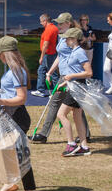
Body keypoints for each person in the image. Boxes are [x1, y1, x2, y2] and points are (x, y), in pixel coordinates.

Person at [0, 36, 36, 191]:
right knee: (8, 150)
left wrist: (2, 101)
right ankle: (9, 183)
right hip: (9, 115)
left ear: (5, 54)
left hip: (17, 115)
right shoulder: (12, 70)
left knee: (18, 153)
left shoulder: (16, 71)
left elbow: (21, 98)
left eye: (0, 54)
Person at [30, 12, 90, 144]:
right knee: (74, 105)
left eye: (61, 23)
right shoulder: (62, 37)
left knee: (58, 103)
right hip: (64, 75)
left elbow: (75, 59)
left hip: (69, 76)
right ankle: (85, 134)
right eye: (58, 23)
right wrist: (50, 72)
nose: (59, 25)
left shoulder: (72, 39)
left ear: (68, 23)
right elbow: (60, 56)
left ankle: (44, 134)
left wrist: (68, 77)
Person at [56, 28, 93, 157]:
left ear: (73, 39)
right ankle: (84, 146)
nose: (65, 40)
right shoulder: (74, 52)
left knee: (61, 114)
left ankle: (71, 144)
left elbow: (89, 73)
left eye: (67, 38)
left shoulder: (79, 53)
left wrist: (70, 77)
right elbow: (76, 71)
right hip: (74, 86)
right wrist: (65, 82)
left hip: (78, 88)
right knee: (77, 117)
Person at [31, 14, 59, 97]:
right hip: (52, 53)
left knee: (53, 74)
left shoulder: (49, 30)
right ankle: (40, 90)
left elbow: (45, 45)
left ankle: (57, 93)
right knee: (41, 71)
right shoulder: (54, 28)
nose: (41, 23)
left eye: (41, 22)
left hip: (48, 54)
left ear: (45, 21)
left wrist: (41, 57)